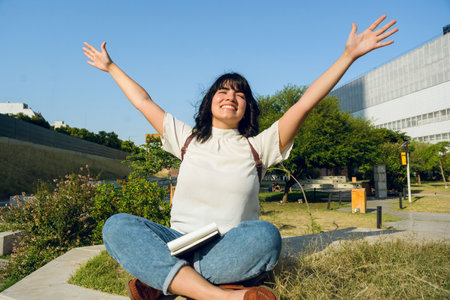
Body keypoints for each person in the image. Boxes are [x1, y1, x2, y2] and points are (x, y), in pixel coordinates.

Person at [83, 15, 397, 300]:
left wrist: (348, 56)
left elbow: (303, 105)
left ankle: (164, 280)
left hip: (226, 248)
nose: (231, 96)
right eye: (223, 91)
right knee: (116, 225)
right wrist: (111, 67)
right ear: (210, 102)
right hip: (177, 243)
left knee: (266, 236)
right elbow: (143, 100)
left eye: (240, 94)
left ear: (246, 108)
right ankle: (225, 296)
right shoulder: (186, 138)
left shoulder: (259, 147)